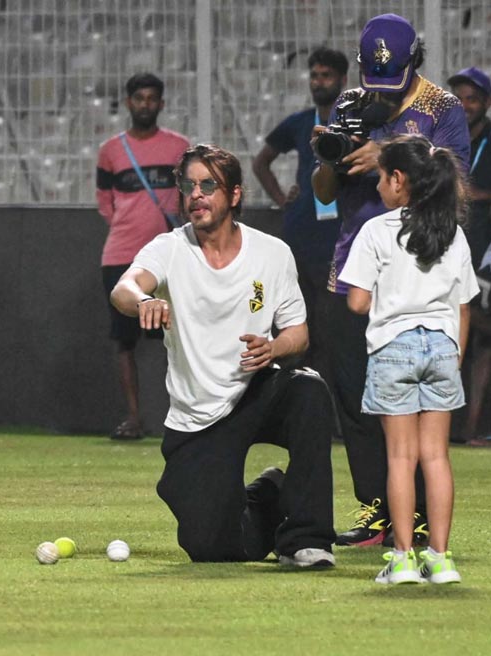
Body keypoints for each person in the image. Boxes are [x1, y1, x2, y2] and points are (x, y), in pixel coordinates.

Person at [111, 144, 336, 567]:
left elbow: (299, 334)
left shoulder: (272, 253)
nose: (196, 195)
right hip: (197, 419)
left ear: (234, 194)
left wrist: (274, 347)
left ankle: (307, 538)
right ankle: (270, 494)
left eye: (208, 185)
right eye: (188, 186)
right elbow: (123, 289)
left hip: (256, 391)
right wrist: (143, 300)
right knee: (211, 548)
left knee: (308, 390)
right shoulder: (168, 248)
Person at [312, 13, 470, 548]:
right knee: (356, 398)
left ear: (415, 61)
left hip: (419, 272)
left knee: (419, 405)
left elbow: (459, 183)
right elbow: (325, 193)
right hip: (353, 267)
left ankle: (422, 516)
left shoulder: (442, 109)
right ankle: (376, 510)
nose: (384, 91)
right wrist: (329, 156)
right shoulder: (351, 103)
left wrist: (390, 153)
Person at [339, 135, 478, 584]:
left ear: (398, 180)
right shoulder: (451, 232)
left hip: (393, 347)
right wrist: (454, 354)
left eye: (382, 176)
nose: (379, 184)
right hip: (442, 347)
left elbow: (357, 303)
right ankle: (439, 558)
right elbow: (463, 303)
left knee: (400, 458)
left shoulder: (377, 230)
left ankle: (402, 559)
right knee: (436, 457)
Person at [97, 73, 190, 440]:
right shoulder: (111, 151)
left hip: (171, 256)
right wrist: (129, 225)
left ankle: (183, 416)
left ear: (161, 104)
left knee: (181, 338)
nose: (146, 105)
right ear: (128, 102)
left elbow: (188, 194)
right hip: (121, 254)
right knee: (125, 341)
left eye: (152, 98)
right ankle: (134, 418)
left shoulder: (179, 147)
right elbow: (105, 201)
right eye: (139, 98)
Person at [252, 48, 348, 375]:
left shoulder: (353, 123)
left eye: (327, 76)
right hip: (302, 235)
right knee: (299, 322)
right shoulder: (301, 122)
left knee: (335, 327)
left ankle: (337, 410)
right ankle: (302, 402)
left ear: (343, 80)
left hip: (341, 236)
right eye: (315, 75)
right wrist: (281, 197)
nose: (319, 82)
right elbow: (260, 161)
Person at [447, 66, 491, 446]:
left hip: (486, 250)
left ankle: (474, 426)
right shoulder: (443, 138)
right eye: (458, 98)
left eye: (472, 99)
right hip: (448, 246)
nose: (464, 106)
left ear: (486, 104)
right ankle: (459, 425)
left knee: (481, 337)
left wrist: (475, 195)